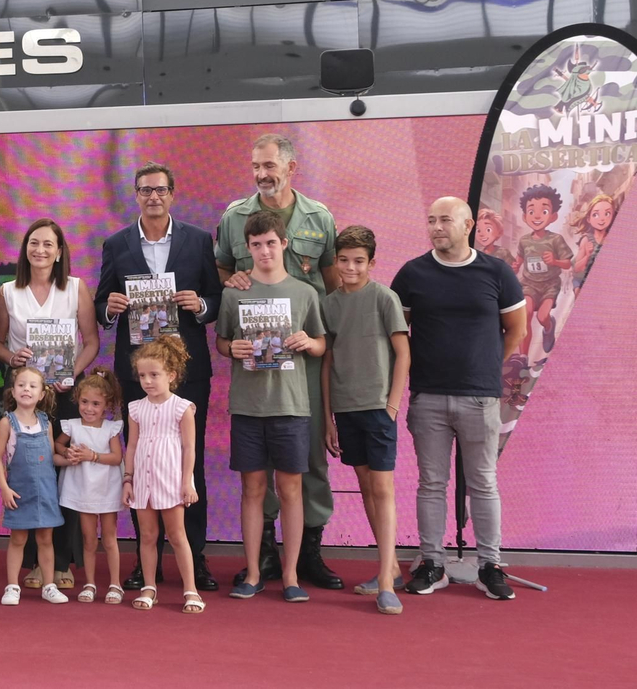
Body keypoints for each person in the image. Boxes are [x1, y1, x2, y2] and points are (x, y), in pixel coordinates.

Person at [215, 135, 342, 590]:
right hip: (254, 371)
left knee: (306, 458)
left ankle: (308, 550)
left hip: (302, 360)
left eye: (269, 165)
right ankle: (265, 554)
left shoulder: (319, 217)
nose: (261, 173)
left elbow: (331, 287)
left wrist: (317, 342)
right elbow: (222, 273)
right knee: (256, 473)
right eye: (255, 166)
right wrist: (237, 279)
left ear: (291, 168)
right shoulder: (234, 217)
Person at [390, 197, 528, 601]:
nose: (436, 227)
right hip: (428, 396)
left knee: (483, 483)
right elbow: (398, 335)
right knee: (431, 483)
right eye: (431, 220)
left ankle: (490, 565)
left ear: (468, 224)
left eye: (445, 220)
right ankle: (433, 563)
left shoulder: (497, 272)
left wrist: (483, 368)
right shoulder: (412, 273)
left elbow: (515, 330)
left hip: (480, 399)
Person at [94, 162, 222, 592]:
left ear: (173, 193)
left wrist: (199, 304)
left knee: (190, 460)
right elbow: (99, 305)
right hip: (138, 371)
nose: (153, 197)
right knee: (142, 462)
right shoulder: (116, 243)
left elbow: (217, 299)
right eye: (145, 190)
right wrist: (110, 308)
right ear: (135, 194)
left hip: (187, 371)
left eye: (160, 190)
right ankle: (145, 560)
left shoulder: (199, 240)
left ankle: (195, 557)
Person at [218, 211, 327, 603]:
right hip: (247, 406)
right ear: (247, 249)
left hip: (291, 405)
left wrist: (307, 343)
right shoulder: (235, 293)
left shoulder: (304, 293)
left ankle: (292, 574)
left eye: (270, 243)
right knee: (252, 489)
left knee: (291, 489)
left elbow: (320, 343)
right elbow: (222, 342)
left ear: (284, 244)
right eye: (255, 244)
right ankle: (252, 572)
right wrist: (234, 348)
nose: (263, 250)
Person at [0, 217, 100, 590]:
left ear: (60, 251)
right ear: (25, 249)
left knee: (64, 471)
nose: (40, 250)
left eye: (48, 244)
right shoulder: (7, 292)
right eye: (33, 243)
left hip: (67, 395)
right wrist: (11, 358)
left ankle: (63, 562)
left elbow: (91, 342)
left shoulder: (76, 289)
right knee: (28, 472)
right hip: (24, 397)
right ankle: (35, 563)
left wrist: (73, 373)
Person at [321, 226, 410, 615]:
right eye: (344, 260)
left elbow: (403, 354)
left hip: (378, 409)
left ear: (372, 263)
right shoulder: (329, 304)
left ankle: (387, 582)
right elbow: (327, 361)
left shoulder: (384, 298)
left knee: (383, 487)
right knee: (365, 486)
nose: (351, 267)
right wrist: (328, 416)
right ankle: (388, 565)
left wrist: (391, 406)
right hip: (345, 408)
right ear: (335, 262)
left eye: (359, 261)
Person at [123, 336, 203, 614]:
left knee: (177, 535)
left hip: (171, 479)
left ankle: (190, 589)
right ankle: (149, 586)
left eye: (154, 375)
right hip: (143, 480)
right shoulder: (135, 408)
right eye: (143, 375)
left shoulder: (183, 408)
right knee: (147, 535)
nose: (147, 381)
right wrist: (128, 479)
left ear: (171, 375)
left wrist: (187, 482)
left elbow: (189, 448)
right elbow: (131, 445)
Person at [0, 366, 67, 607]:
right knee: (18, 539)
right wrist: (4, 487)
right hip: (19, 491)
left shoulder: (46, 422)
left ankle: (49, 585)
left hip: (45, 491)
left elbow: (51, 455)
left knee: (46, 539)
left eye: (32, 386)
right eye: (21, 385)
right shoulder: (7, 422)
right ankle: (12, 586)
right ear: (12, 392)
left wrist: (70, 459)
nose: (27, 389)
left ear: (42, 394)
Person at [53, 372, 124, 605]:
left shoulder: (111, 428)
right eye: (84, 402)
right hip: (82, 488)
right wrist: (66, 452)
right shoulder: (72, 426)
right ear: (77, 399)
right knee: (88, 539)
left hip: (106, 488)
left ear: (107, 405)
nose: (89, 408)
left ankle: (115, 584)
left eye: (96, 403)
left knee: (110, 538)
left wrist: (92, 455)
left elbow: (116, 458)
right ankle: (90, 583)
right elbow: (56, 444)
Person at [513, 184, 573, 357]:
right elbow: (520, 259)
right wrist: (516, 265)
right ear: (525, 216)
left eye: (544, 211)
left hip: (549, 285)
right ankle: (523, 358)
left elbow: (568, 264)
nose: (537, 216)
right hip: (528, 284)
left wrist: (554, 261)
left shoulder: (555, 239)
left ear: (553, 216)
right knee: (526, 316)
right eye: (532, 212)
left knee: (542, 317)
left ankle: (548, 326)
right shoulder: (524, 240)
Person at [569, 192, 617, 291]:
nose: (602, 219)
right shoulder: (586, 240)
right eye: (595, 214)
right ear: (589, 219)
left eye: (607, 214)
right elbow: (577, 269)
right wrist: (587, 255)